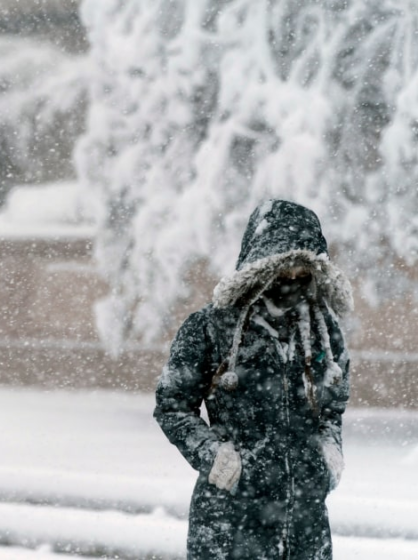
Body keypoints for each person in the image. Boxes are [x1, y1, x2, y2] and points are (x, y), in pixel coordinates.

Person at [154, 200, 352, 559]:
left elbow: (332, 409)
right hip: (230, 523)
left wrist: (328, 454)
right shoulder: (210, 328)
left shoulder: (324, 333)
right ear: (259, 266)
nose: (291, 282)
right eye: (282, 271)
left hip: (306, 524)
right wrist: (216, 458)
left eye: (302, 273)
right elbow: (172, 406)